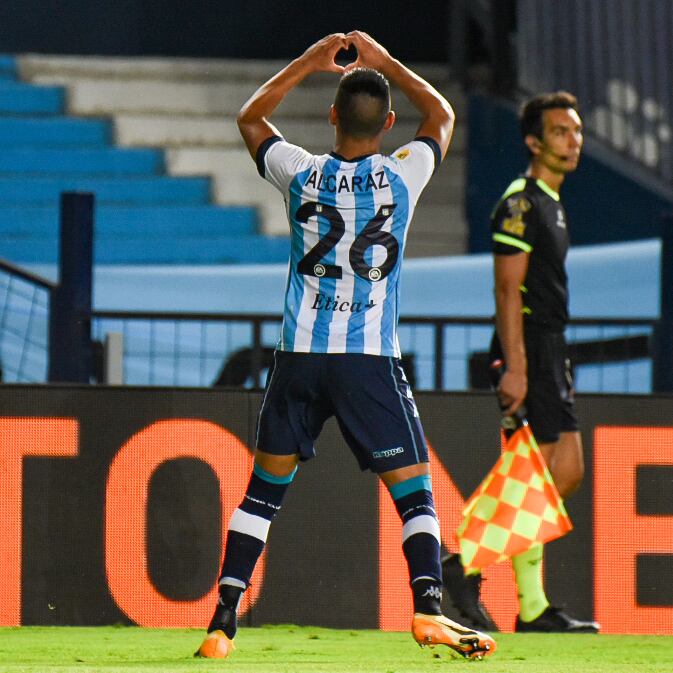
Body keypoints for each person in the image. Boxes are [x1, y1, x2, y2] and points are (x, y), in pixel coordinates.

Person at [196, 31, 496, 660]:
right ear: (388, 123)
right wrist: (387, 62)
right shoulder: (402, 176)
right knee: (415, 491)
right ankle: (429, 610)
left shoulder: (301, 174)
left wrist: (308, 61)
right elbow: (441, 113)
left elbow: (251, 117)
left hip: (299, 358)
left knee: (262, 493)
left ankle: (222, 620)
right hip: (367, 362)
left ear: (332, 116)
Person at [442, 91, 600, 633]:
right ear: (534, 141)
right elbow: (507, 290)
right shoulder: (521, 201)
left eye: (576, 131)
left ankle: (485, 578)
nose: (572, 140)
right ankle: (476, 575)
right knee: (534, 471)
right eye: (560, 131)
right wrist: (515, 365)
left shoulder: (552, 201)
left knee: (565, 473)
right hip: (527, 344)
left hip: (551, 346)